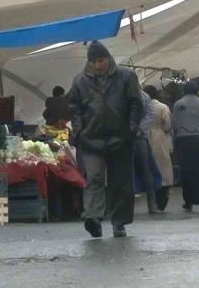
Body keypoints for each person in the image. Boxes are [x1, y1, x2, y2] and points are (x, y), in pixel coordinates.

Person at [67, 40, 143, 238]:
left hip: (121, 138)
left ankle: (119, 222)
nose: (98, 65)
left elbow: (136, 103)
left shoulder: (126, 76)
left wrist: (132, 128)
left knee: (121, 182)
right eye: (94, 62)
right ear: (89, 62)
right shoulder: (80, 81)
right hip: (91, 139)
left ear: (108, 58)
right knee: (94, 178)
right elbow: (74, 108)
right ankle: (93, 217)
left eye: (101, 60)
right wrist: (78, 131)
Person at [172, 81, 199, 213]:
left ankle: (188, 201)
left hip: (184, 140)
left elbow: (174, 125)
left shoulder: (178, 104)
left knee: (187, 172)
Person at [144, 85, 173, 212]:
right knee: (163, 167)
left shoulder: (142, 107)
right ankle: (161, 200)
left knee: (147, 168)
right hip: (159, 137)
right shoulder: (162, 107)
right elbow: (167, 125)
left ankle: (151, 201)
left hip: (144, 137)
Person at [133, 89, 158, 214]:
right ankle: (151, 204)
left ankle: (151, 204)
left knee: (145, 170)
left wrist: (139, 129)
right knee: (145, 170)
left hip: (137, 137)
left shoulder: (142, 95)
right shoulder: (143, 95)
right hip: (136, 136)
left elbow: (151, 114)